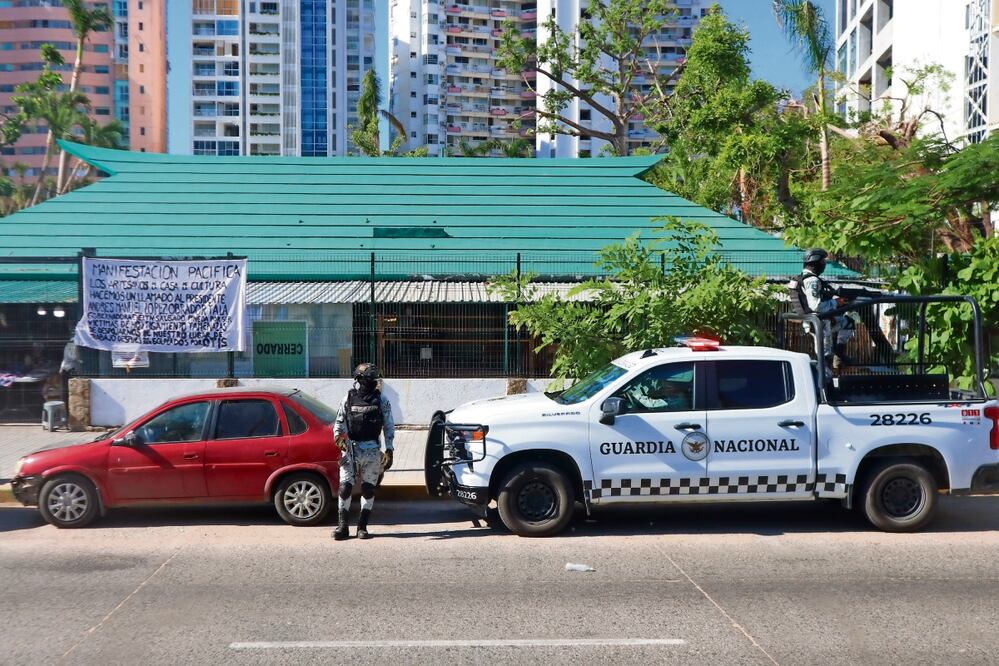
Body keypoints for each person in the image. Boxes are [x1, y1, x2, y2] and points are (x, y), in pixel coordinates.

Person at [332, 363, 395, 540]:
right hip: (351, 451)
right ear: (360, 380)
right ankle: (342, 527)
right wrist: (338, 438)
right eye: (370, 379)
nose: (374, 383)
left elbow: (389, 425)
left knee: (368, 490)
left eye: (374, 380)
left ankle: (362, 527)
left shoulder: (382, 400)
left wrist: (389, 449)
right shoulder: (348, 398)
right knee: (345, 489)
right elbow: (339, 421)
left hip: (372, 451)